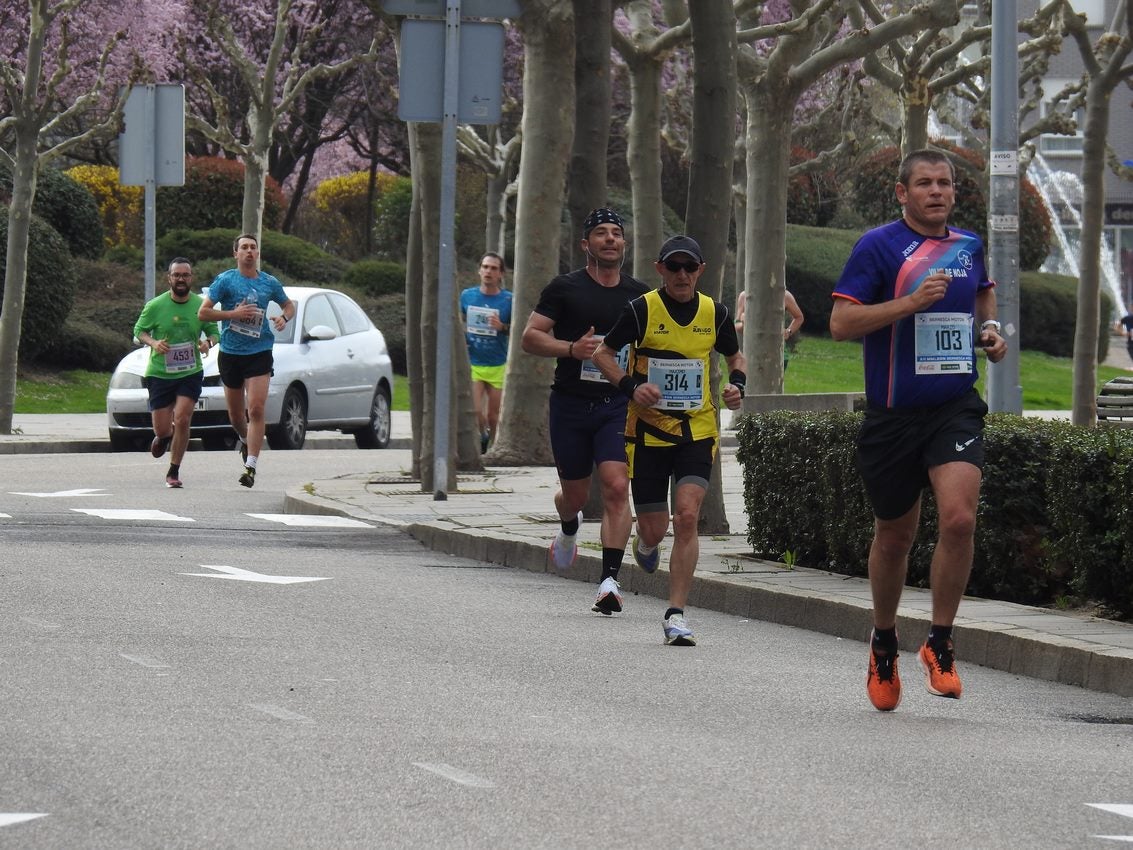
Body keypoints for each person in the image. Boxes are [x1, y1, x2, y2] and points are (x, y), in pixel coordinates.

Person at [829, 148, 1007, 711]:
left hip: (954, 405)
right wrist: (907, 303)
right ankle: (884, 642)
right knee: (895, 536)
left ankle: (941, 641)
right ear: (902, 193)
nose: (937, 192)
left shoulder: (968, 246)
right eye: (924, 183)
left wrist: (991, 330)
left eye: (945, 184)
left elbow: (982, 291)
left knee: (959, 517)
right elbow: (839, 323)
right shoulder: (877, 246)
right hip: (892, 416)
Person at [592, 235, 746, 646]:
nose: (682, 275)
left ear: (701, 270)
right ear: (660, 269)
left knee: (689, 515)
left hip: (697, 429)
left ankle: (675, 614)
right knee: (657, 529)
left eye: (689, 267)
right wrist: (630, 386)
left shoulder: (716, 312)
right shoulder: (642, 310)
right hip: (648, 433)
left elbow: (735, 357)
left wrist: (737, 386)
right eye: (673, 267)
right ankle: (645, 540)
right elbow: (603, 354)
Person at [520, 208, 649, 615]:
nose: (610, 239)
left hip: (616, 404)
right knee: (574, 495)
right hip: (571, 405)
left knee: (614, 486)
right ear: (585, 244)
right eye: (600, 233)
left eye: (616, 233)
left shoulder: (640, 296)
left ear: (624, 244)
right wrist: (570, 349)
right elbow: (530, 337)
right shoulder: (565, 288)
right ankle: (568, 527)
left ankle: (609, 580)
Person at [198, 233, 295, 489]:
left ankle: (251, 465)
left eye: (253, 247)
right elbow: (204, 312)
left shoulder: (269, 283)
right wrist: (233, 313)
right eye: (244, 248)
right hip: (230, 353)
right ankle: (244, 437)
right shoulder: (226, 281)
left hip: (259, 351)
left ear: (258, 253)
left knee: (256, 409)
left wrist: (284, 318)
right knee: (236, 414)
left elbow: (288, 306)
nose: (249, 251)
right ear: (236, 254)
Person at [133, 258, 219, 488]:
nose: (181, 279)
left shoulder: (201, 305)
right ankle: (163, 436)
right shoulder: (155, 306)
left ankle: (174, 471)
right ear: (169, 278)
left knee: (182, 418)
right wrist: (153, 342)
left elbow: (214, 332)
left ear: (191, 278)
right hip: (160, 373)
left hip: (190, 372)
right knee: (162, 428)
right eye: (177, 275)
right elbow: (139, 330)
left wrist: (207, 344)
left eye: (185, 275)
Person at [459, 252, 513, 453]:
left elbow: (518, 329)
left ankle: (491, 447)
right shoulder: (467, 295)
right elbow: (458, 322)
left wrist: (502, 327)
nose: (489, 271)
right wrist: (461, 341)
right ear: (479, 270)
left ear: (501, 274)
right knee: (474, 411)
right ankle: (481, 439)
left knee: (493, 416)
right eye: (485, 267)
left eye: (494, 268)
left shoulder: (508, 300)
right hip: (474, 362)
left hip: (498, 363)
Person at [734, 288, 804, 370]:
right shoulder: (745, 295)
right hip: (753, 352)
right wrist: (744, 324)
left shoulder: (784, 295)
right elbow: (736, 325)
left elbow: (799, 317)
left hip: (777, 353)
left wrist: (788, 332)